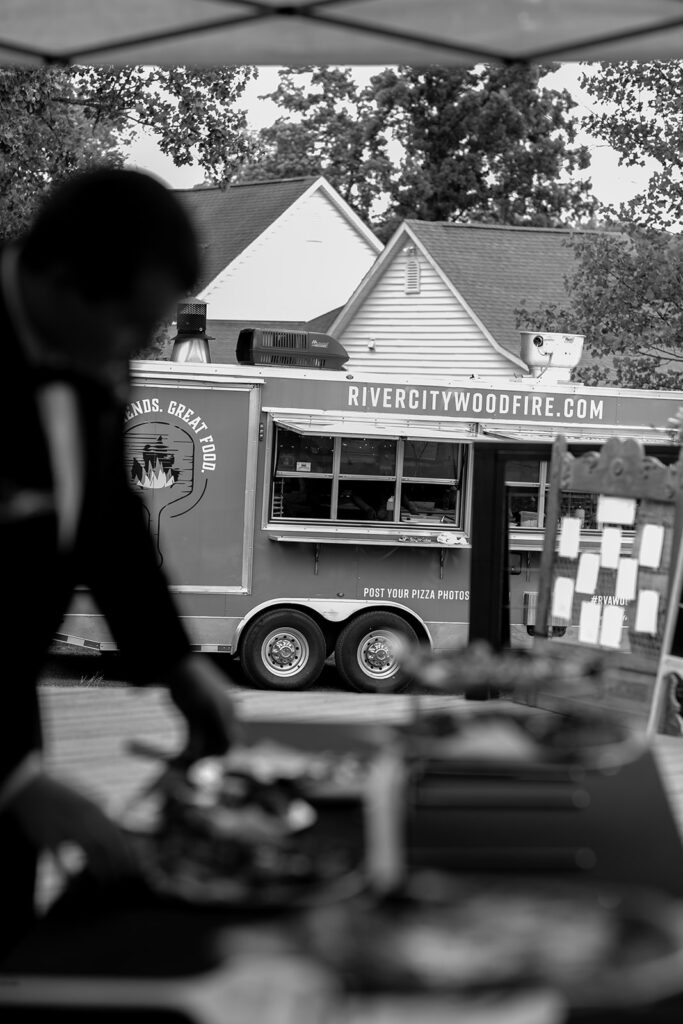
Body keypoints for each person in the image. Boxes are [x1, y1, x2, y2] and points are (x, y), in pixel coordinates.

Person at [0, 168, 239, 959]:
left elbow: (109, 526)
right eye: (135, 323)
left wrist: (176, 663)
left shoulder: (94, 354)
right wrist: (11, 781)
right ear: (64, 281)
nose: (141, 348)